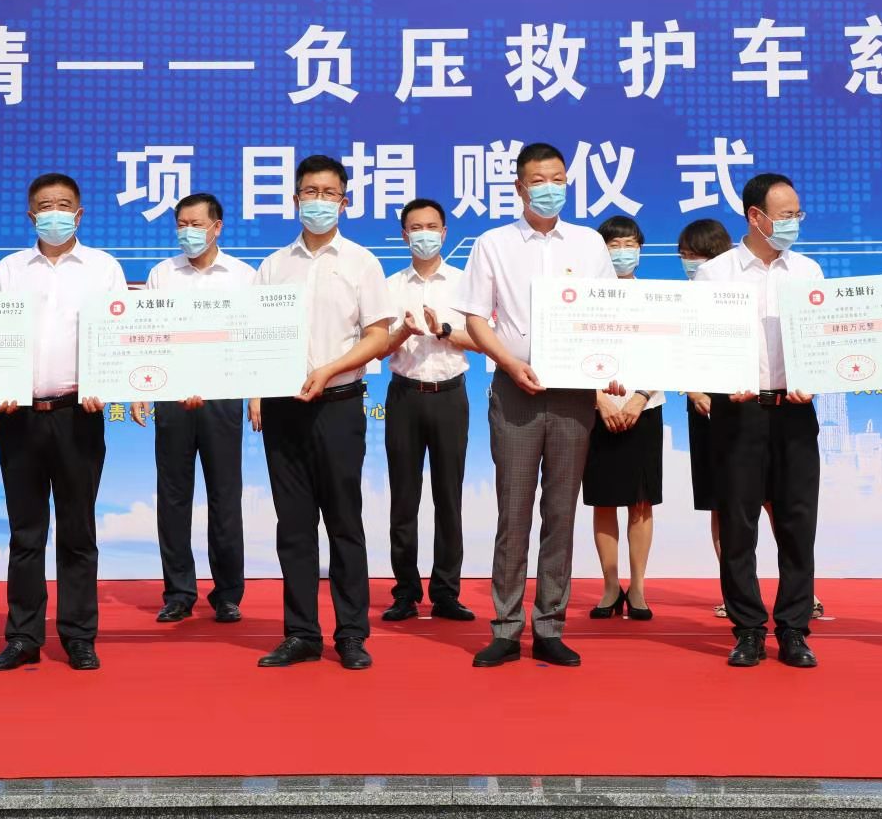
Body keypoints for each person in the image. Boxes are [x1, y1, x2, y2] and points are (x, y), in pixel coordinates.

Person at [457, 142, 622, 668]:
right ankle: (506, 628)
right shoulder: (493, 244)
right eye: (538, 180)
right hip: (516, 389)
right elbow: (475, 318)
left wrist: (609, 369)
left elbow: (610, 312)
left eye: (558, 179)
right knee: (513, 512)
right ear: (519, 187)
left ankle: (550, 626)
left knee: (560, 512)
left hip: (573, 393)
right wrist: (509, 363)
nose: (549, 189)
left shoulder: (589, 244)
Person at [250, 155, 394, 670]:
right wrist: (255, 391)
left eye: (329, 193)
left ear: (344, 201)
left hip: (339, 406)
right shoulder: (273, 266)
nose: (319, 201)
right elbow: (255, 335)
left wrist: (331, 369)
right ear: (295, 199)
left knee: (343, 522)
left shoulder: (362, 262)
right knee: (293, 525)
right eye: (310, 192)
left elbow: (378, 336)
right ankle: (301, 634)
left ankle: (351, 633)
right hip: (283, 409)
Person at [0, 173, 127, 673]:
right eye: (45, 206)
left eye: (64, 205)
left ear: (79, 214)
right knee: (26, 534)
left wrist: (106, 383)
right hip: (18, 417)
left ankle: (78, 635)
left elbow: (119, 337)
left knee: (78, 532)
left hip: (77, 416)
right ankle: (23, 636)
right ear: (31, 215)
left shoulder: (104, 269)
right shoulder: (8, 270)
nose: (55, 214)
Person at [697, 172, 822, 669]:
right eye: (786, 215)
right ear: (756, 217)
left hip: (795, 411)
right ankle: (748, 628)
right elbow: (699, 345)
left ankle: (794, 629)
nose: (795, 222)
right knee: (738, 525)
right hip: (738, 412)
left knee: (797, 525)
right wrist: (719, 381)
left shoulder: (808, 271)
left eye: (797, 214)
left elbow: (824, 341)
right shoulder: (716, 275)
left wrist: (816, 376)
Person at [128, 193, 253, 625]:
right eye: (181, 224)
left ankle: (228, 594)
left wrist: (256, 393)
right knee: (173, 497)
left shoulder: (243, 276)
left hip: (223, 397)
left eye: (196, 224)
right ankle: (179, 592)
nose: (187, 232)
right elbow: (147, 334)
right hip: (172, 397)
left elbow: (254, 340)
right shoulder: (163, 274)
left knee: (225, 497)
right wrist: (140, 387)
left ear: (217, 227)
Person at [381, 198, 479, 624]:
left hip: (450, 396)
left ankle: (446, 593)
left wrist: (445, 330)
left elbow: (483, 340)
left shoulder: (463, 284)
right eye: (416, 228)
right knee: (403, 500)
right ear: (404, 235)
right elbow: (377, 348)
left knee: (448, 499)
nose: (424, 234)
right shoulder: (389, 286)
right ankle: (405, 592)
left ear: (444, 232)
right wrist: (403, 331)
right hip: (404, 396)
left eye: (432, 227)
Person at [583, 215, 663, 622]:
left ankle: (639, 588)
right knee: (603, 500)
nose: (622, 252)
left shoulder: (655, 297)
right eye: (613, 245)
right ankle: (611, 586)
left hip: (643, 409)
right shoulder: (583, 296)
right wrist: (599, 399)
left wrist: (640, 397)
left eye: (630, 244)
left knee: (640, 502)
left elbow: (669, 352)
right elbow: (570, 351)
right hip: (597, 410)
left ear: (641, 249)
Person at [676, 217, 734, 620]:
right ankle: (734, 590)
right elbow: (675, 352)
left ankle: (802, 591)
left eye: (697, 255)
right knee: (720, 502)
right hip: (703, 408)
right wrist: (695, 391)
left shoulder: (741, 292)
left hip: (747, 405)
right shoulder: (682, 300)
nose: (690, 263)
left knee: (773, 501)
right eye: (685, 256)